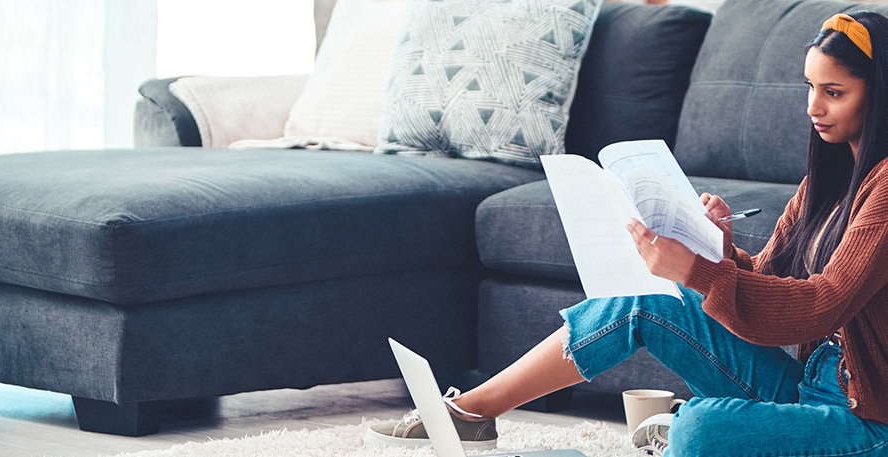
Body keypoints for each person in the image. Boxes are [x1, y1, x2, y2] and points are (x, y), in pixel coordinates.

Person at [365, 11, 888, 456]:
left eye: (833, 92)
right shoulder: (828, 180)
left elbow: (822, 304)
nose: (812, 108)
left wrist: (699, 270)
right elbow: (773, 277)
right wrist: (720, 250)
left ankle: (688, 428)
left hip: (869, 421)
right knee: (646, 298)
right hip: (810, 385)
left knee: (700, 429)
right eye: (810, 88)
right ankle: (470, 411)